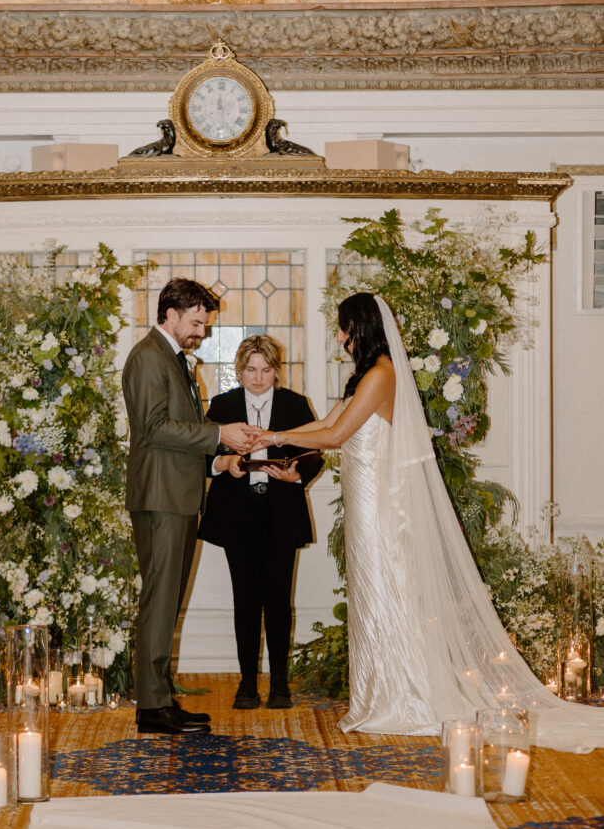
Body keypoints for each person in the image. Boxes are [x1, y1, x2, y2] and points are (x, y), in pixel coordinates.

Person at [253, 293, 603, 753]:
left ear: (359, 328)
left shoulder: (382, 375)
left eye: (342, 328)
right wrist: (274, 443)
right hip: (363, 508)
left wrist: (272, 435)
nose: (338, 336)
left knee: (387, 596)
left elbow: (336, 437)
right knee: (370, 599)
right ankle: (380, 693)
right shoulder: (363, 378)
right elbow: (325, 423)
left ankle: (406, 697)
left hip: (380, 508)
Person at [122, 278, 255, 735]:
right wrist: (220, 433)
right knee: (159, 603)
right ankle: (152, 708)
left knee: (166, 602)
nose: (202, 331)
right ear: (171, 313)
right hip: (160, 499)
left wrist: (218, 462)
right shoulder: (147, 358)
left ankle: (160, 701)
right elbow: (154, 428)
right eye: (197, 322)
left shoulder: (170, 358)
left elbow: (177, 435)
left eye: (204, 323)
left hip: (175, 494)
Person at [198, 336, 323, 710]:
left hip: (280, 511)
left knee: (279, 600)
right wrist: (225, 464)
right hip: (238, 513)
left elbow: (315, 453)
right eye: (251, 370)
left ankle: (281, 684)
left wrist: (296, 476)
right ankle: (247, 684)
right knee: (245, 599)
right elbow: (199, 456)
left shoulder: (295, 404)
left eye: (266, 370)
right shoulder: (223, 405)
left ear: (276, 371)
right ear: (239, 370)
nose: (258, 378)